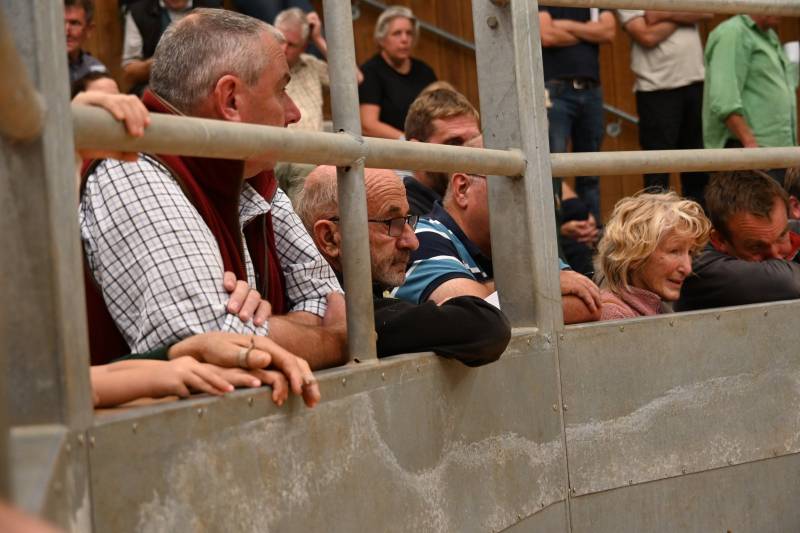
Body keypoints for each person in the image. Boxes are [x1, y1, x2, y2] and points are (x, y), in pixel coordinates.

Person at [80, 9, 347, 371]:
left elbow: (328, 301)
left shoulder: (251, 170)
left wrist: (260, 329)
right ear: (230, 100)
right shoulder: (131, 165)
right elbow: (213, 344)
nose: (295, 112)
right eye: (282, 90)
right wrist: (335, 339)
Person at [296, 166, 511, 365]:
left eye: (408, 220)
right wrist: (445, 317)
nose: (413, 242)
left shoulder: (366, 292)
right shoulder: (329, 306)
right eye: (392, 224)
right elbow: (485, 326)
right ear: (330, 238)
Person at [393, 137, 602, 324]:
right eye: (515, 188)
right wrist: (540, 284)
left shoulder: (521, 240)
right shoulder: (421, 238)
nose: (531, 204)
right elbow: (474, 317)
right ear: (462, 188)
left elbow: (587, 305)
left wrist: (502, 295)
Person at [617, 9, 711, 206]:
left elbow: (708, 10)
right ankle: (657, 231)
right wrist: (686, 15)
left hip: (696, 82)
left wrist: (660, 15)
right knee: (657, 173)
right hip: (656, 89)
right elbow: (646, 35)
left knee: (698, 168)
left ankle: (700, 231)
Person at [676, 170, 800, 311]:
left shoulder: (790, 230)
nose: (776, 256)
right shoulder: (697, 266)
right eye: (756, 247)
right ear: (720, 240)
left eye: (782, 237)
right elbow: (789, 282)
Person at [539, 5, 616, 223]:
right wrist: (588, 32)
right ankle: (557, 233)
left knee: (590, 170)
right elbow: (546, 35)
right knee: (552, 167)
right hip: (556, 90)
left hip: (591, 91)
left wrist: (566, 26)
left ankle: (591, 235)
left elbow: (608, 32)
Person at [703, 14, 797, 183]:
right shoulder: (732, 32)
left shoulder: (769, 35)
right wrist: (751, 146)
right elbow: (724, 99)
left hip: (773, 153)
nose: (782, 7)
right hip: (749, 153)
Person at [596, 192, 711, 320]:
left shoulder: (658, 308)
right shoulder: (615, 316)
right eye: (674, 251)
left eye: (690, 252)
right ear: (634, 255)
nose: (688, 268)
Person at [358, 5, 437, 139]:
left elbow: (439, 111)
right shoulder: (370, 72)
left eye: (409, 33)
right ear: (381, 39)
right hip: (389, 150)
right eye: (397, 33)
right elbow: (368, 124)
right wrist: (405, 140)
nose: (404, 39)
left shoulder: (425, 71)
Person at [401, 86, 481, 216]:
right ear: (415, 153)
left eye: (474, 141)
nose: (469, 153)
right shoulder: (404, 215)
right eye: (454, 143)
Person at [121, 0, 222, 95]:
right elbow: (129, 72)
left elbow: (225, 60)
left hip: (203, 87)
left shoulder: (214, 10)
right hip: (156, 89)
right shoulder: (139, 12)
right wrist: (159, 64)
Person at [64, 0, 108, 84]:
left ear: (89, 30)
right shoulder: (38, 69)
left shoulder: (96, 69)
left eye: (74, 23)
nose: (66, 32)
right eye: (60, 23)